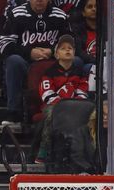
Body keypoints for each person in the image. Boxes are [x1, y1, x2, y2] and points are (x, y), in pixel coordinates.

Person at [0, 0, 71, 125]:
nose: (39, 1)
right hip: (26, 63)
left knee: (77, 61)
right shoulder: (16, 14)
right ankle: (14, 112)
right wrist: (29, 52)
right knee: (13, 61)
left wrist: (52, 51)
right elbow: (5, 45)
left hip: (54, 63)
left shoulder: (60, 15)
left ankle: (71, 110)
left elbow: (70, 43)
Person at [35, 34, 88, 164]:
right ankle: (44, 149)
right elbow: (47, 94)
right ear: (57, 53)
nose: (67, 50)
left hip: (75, 106)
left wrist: (74, 105)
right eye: (63, 48)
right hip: (54, 106)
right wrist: (64, 105)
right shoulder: (49, 72)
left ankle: (81, 153)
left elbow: (82, 92)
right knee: (50, 114)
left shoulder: (79, 72)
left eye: (70, 48)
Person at [67, 103, 114, 174]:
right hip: (88, 174)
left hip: (113, 175)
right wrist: (91, 171)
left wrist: (111, 172)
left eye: (109, 115)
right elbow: (77, 157)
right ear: (96, 116)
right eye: (103, 114)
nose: (105, 118)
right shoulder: (82, 132)